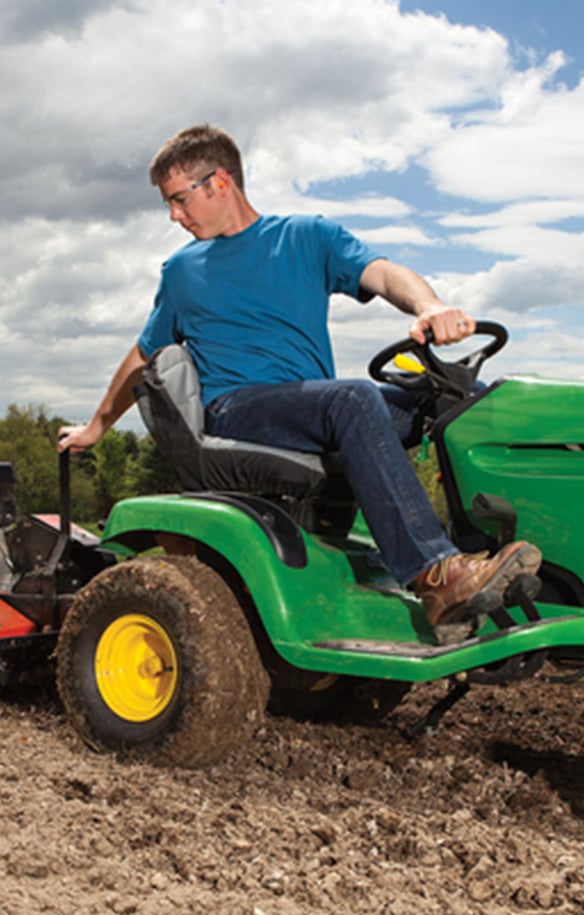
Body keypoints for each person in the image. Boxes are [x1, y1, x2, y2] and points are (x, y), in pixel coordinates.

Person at [58, 124, 541, 637]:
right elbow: (143, 354)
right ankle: (436, 573)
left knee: (461, 402)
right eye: (169, 205)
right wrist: (96, 427)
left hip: (309, 409)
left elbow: (382, 274)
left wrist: (431, 305)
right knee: (352, 398)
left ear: (220, 182)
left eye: (180, 200)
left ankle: (533, 560)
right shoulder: (182, 271)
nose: (174, 216)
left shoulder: (307, 236)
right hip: (236, 409)